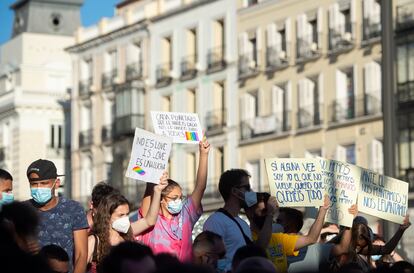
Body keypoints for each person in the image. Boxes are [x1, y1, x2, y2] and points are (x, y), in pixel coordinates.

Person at [139, 139, 210, 261]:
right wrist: (155, 164)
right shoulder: (150, 219)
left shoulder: (186, 215)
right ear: (161, 199)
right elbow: (149, 190)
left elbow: (200, 187)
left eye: (180, 197)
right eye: (173, 198)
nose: (179, 201)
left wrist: (204, 154)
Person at [88, 175, 168, 272]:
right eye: (120, 215)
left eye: (127, 214)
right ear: (107, 216)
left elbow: (149, 221)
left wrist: (157, 191)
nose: (125, 219)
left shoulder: (128, 232)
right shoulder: (94, 241)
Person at [26, 159, 88, 273]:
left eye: (44, 183)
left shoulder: (73, 209)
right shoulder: (23, 211)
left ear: (57, 183)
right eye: (34, 184)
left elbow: (81, 254)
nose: (39, 187)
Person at [245, 193, 332, 273]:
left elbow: (311, 238)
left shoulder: (278, 238)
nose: (268, 214)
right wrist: (270, 215)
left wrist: (323, 210)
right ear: (249, 213)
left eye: (269, 210)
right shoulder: (245, 237)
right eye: (264, 211)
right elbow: (260, 247)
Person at [203, 168, 257, 272]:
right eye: (247, 188)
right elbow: (210, 260)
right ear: (234, 191)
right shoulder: (216, 221)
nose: (251, 192)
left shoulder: (243, 223)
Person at [283, 205, 358, 273]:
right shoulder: (273, 244)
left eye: (279, 221)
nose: (275, 224)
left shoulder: (314, 249)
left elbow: (343, 248)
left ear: (292, 225)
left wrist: (349, 221)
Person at [340, 215, 411, 272]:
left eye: (364, 245)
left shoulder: (365, 249)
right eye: (357, 245)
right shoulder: (342, 250)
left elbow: (387, 249)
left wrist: (401, 230)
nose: (359, 249)